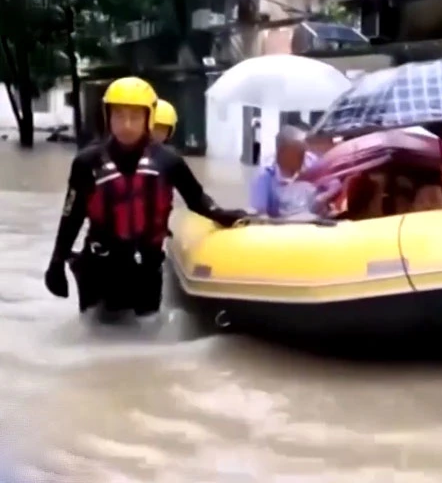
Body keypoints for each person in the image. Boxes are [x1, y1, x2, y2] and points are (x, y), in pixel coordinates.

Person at [43, 77, 248, 320]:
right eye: (119, 116)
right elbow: (71, 216)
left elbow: (196, 200)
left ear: (149, 118)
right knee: (96, 338)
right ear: (108, 117)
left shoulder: (169, 161)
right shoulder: (87, 162)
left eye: (135, 117)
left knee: (147, 331)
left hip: (146, 268)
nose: (127, 125)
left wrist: (224, 215)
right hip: (99, 268)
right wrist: (56, 263)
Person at [249, 125, 340, 218]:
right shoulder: (265, 175)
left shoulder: (311, 161)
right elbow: (261, 214)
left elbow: (335, 184)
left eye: (303, 152)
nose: (302, 158)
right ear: (281, 153)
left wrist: (324, 197)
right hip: (283, 227)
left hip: (315, 222)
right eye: (298, 153)